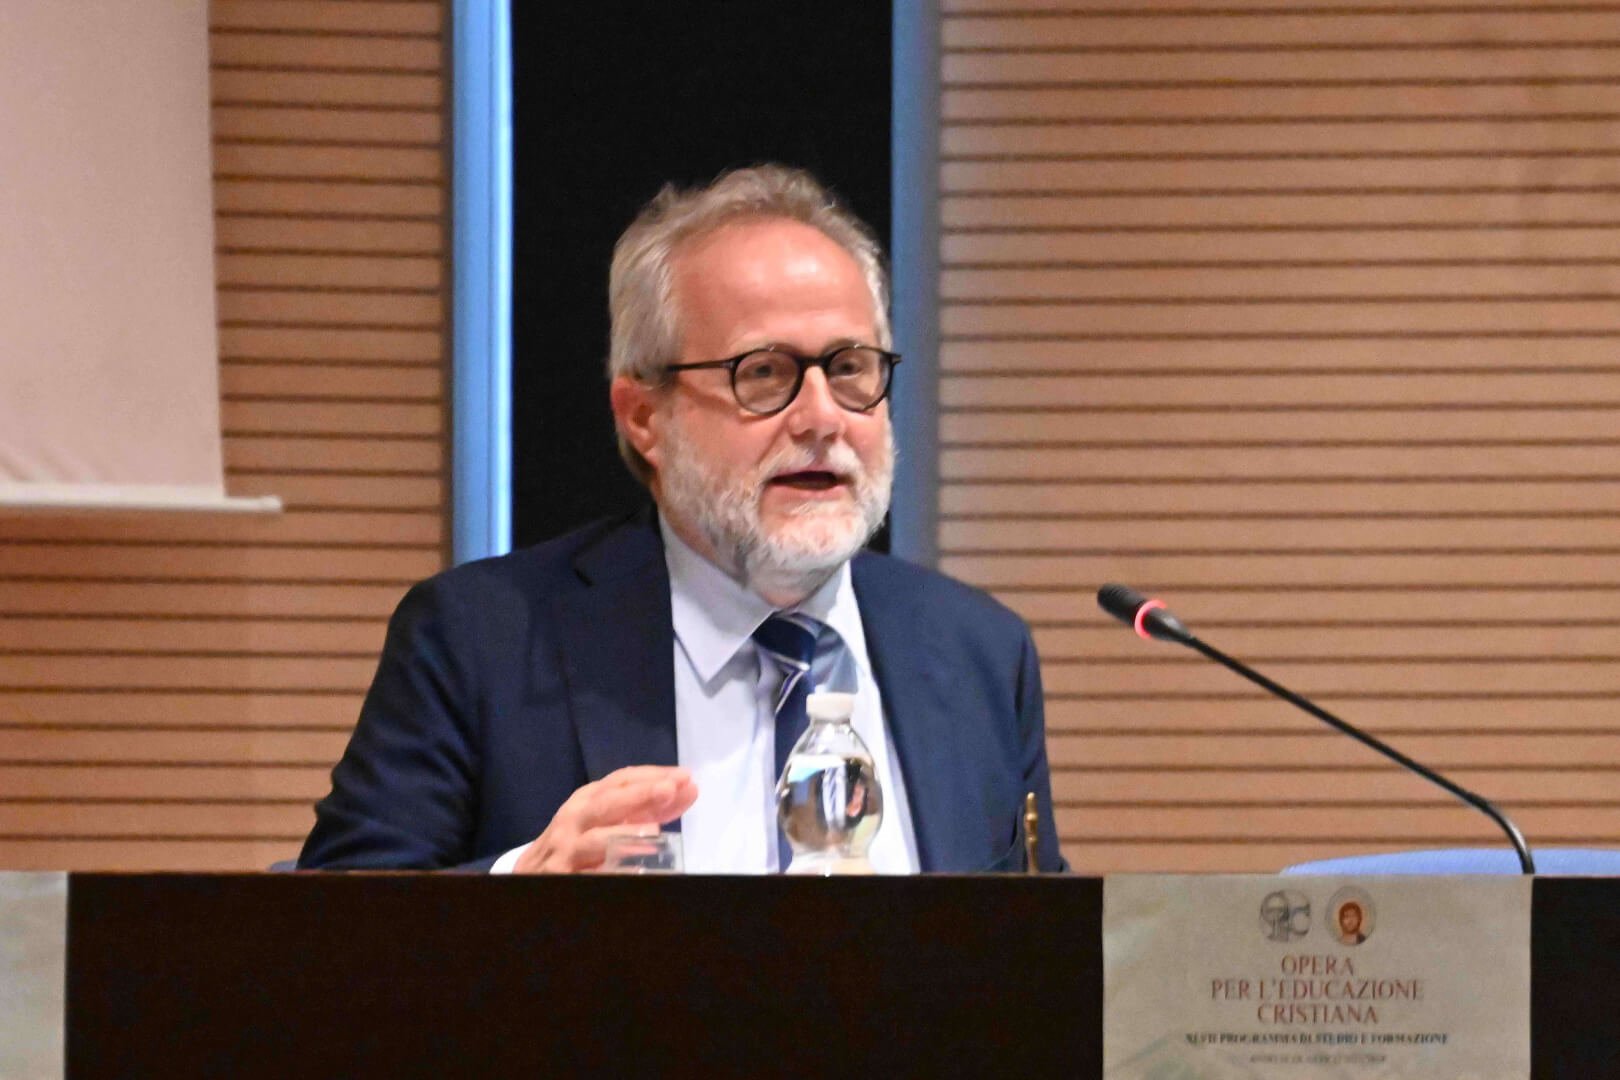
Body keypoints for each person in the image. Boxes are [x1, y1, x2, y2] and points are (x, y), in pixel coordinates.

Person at [298, 164, 1066, 874]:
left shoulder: (981, 655)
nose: (822, 417)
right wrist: (518, 888)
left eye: (849, 368)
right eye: (763, 372)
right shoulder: (480, 641)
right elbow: (329, 930)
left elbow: (1040, 948)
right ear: (644, 417)